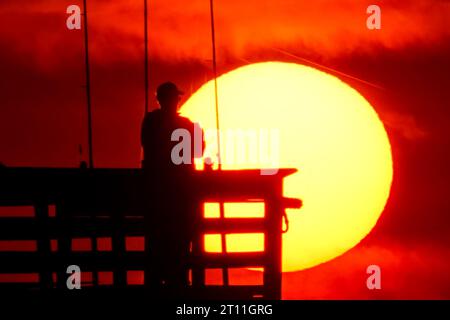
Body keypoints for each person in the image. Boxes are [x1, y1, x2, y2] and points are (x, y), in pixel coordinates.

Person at [141, 82, 204, 297]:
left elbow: (147, 146)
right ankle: (180, 285)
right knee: (180, 244)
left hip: (156, 197)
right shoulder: (186, 125)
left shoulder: (150, 122)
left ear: (158, 99)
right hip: (182, 197)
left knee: (156, 245)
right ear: (176, 100)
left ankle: (157, 286)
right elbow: (198, 150)